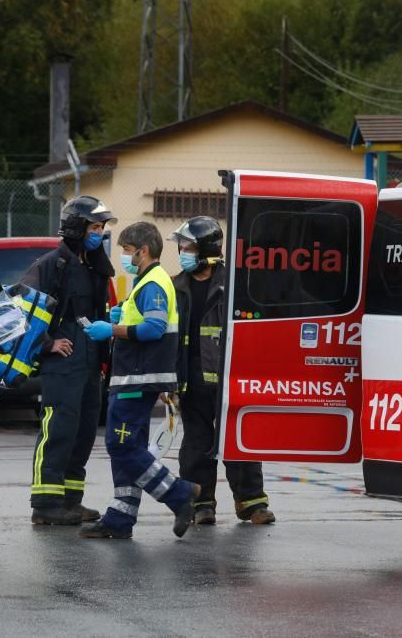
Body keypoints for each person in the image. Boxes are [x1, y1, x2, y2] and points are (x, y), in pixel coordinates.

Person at [78, 221, 200, 539]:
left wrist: (111, 330)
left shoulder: (153, 283)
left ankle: (179, 493)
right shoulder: (146, 281)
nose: (124, 257)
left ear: (143, 251)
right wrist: (121, 314)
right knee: (128, 446)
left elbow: (154, 328)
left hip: (138, 377)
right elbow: (143, 321)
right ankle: (120, 517)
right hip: (135, 376)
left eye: (127, 251)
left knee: (121, 446)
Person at [169, 216, 275, 526]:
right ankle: (202, 505)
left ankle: (252, 503)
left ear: (205, 250)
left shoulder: (236, 286)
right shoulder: (176, 287)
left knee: (238, 441)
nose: (182, 252)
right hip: (191, 380)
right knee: (196, 445)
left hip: (229, 380)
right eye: (181, 247)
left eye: (187, 247)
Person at [22, 196, 116, 526]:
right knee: (58, 430)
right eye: (94, 227)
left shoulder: (93, 266)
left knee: (83, 430)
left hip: (90, 365)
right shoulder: (50, 265)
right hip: (62, 366)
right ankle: (45, 504)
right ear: (76, 228)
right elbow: (23, 312)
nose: (100, 233)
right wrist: (47, 344)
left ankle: (71, 500)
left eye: (102, 228)